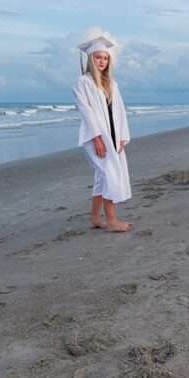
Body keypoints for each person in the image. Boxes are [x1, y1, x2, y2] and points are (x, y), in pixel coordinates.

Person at [72, 36, 133, 232]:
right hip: (95, 137)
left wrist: (122, 136)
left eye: (105, 58)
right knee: (109, 174)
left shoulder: (112, 84)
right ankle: (112, 220)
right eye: (98, 57)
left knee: (102, 176)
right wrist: (97, 138)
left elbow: (120, 111)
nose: (101, 61)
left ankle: (95, 218)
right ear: (91, 59)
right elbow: (86, 112)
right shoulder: (82, 83)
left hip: (114, 137)